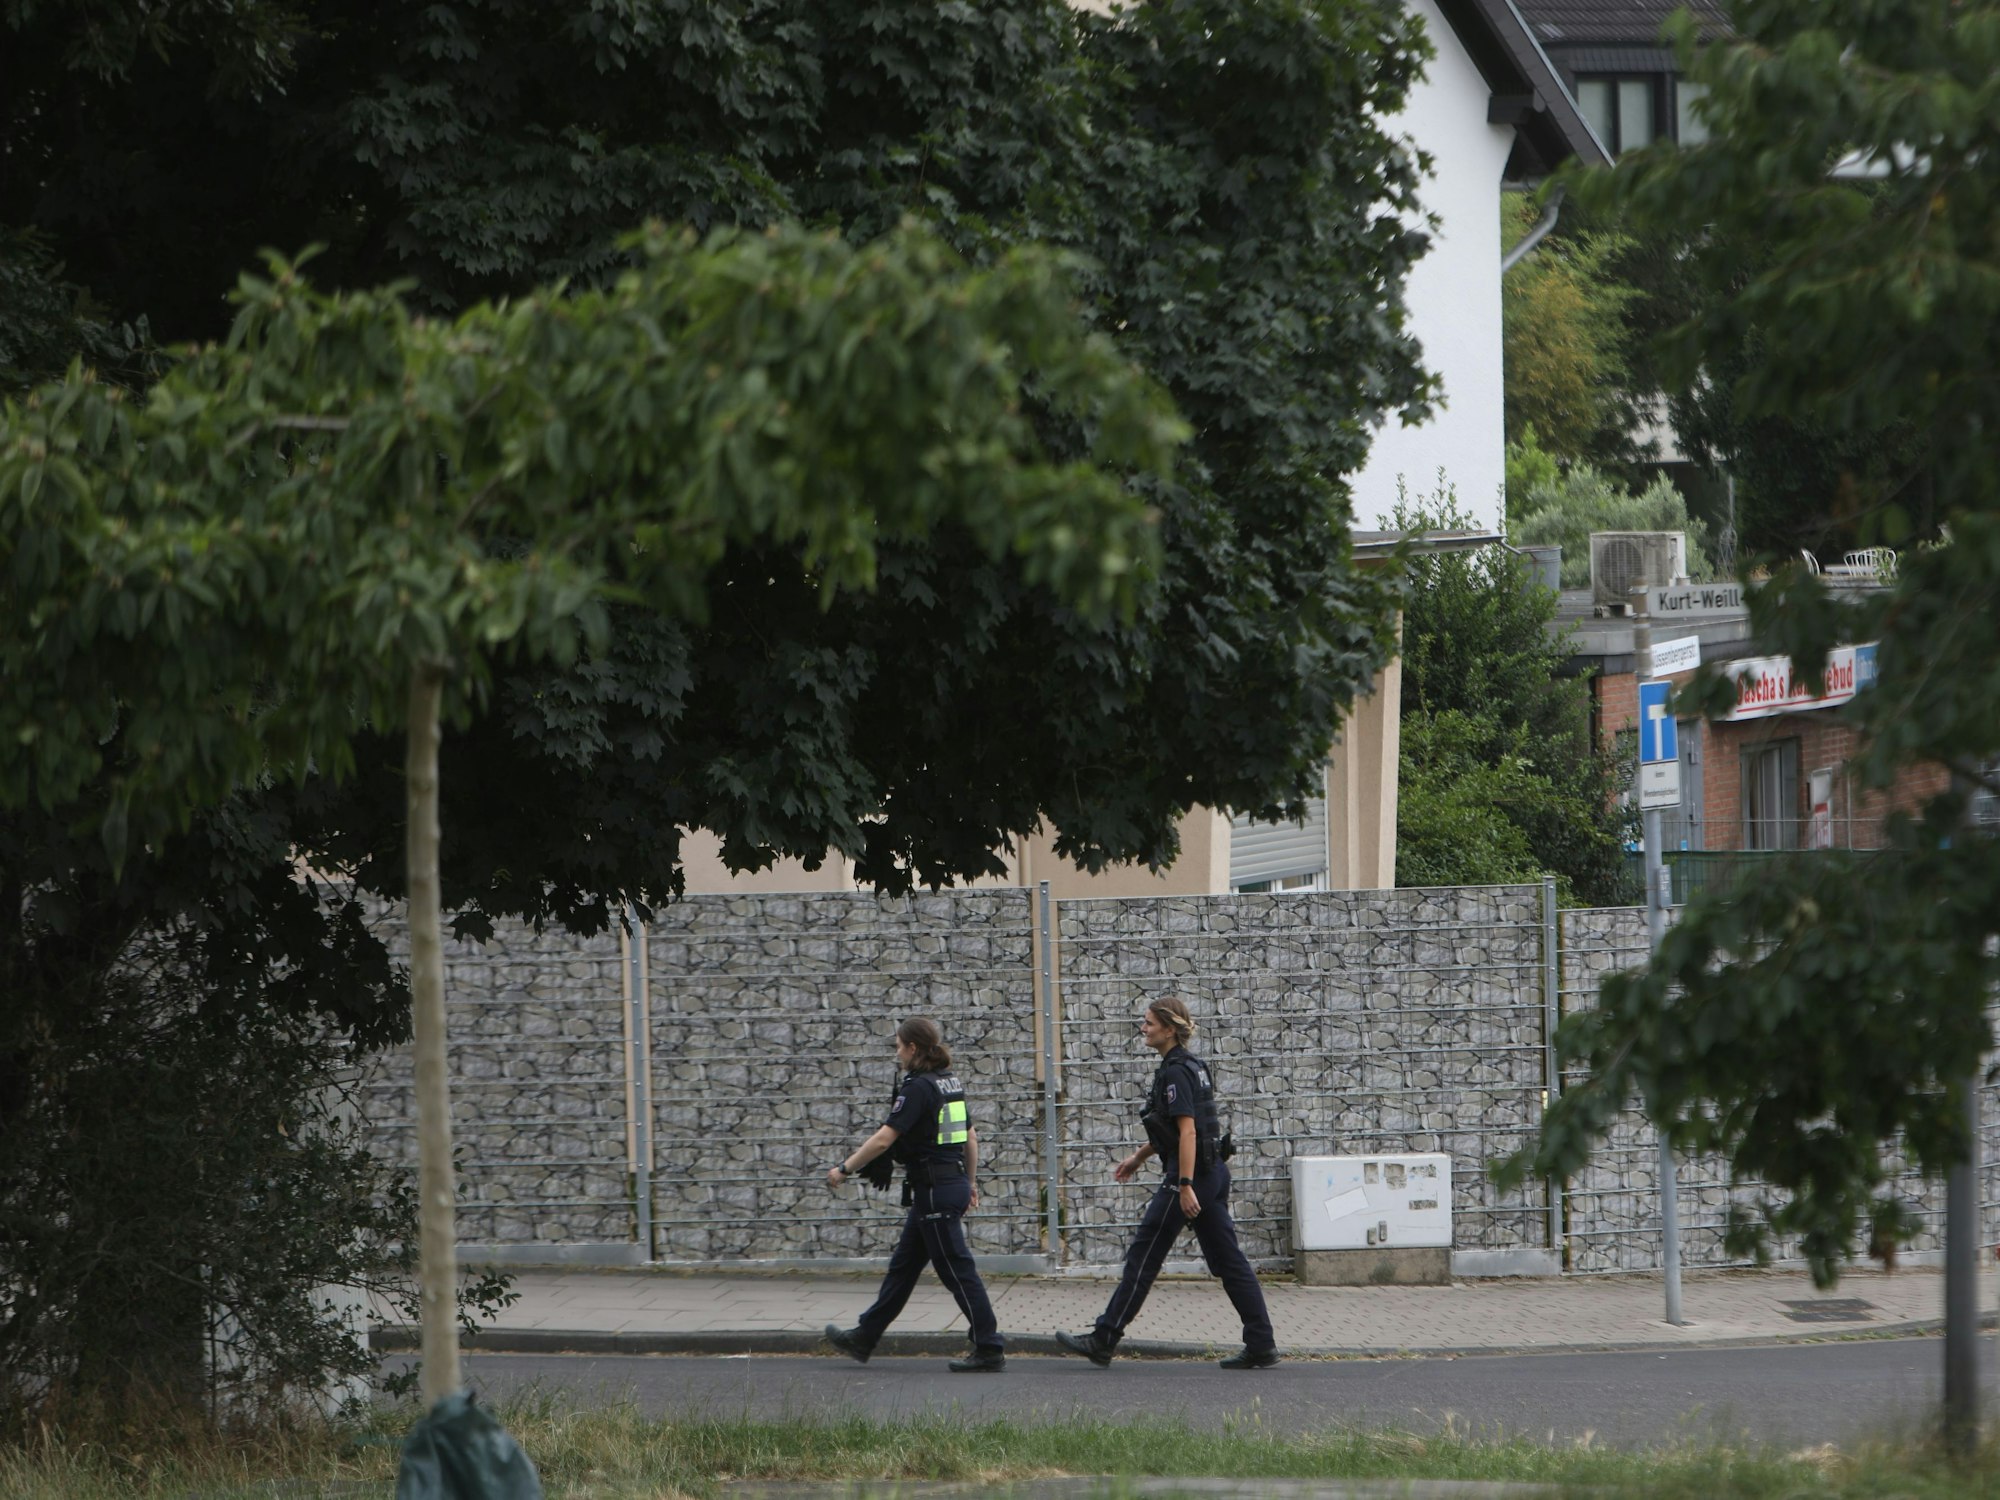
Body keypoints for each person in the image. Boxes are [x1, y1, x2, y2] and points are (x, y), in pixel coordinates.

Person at [1057, 996, 1278, 1369]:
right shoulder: (1192, 1065)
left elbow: (1188, 1132)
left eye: (1149, 1023)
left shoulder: (1175, 1071)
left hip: (1191, 1177)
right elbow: (1175, 1128)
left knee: (1142, 1258)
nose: (1143, 1029)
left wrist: (1186, 1184)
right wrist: (1139, 1157)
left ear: (1169, 1029)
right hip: (1214, 1173)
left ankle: (1104, 1338)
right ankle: (1261, 1344)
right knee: (1230, 1263)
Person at [823, 1017, 1005, 1373]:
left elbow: (883, 1138)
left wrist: (844, 1169)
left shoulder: (919, 1086)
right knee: (903, 1269)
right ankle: (865, 1336)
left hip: (935, 1191)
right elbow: (970, 1138)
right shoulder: (949, 1083)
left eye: (898, 1047)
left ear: (913, 1048)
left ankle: (989, 1346)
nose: (897, 1054)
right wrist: (969, 1184)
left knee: (958, 1271)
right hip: (943, 1187)